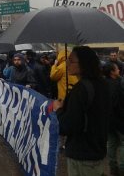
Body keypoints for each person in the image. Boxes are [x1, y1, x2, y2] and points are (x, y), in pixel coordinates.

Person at [53, 46, 111, 176]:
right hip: (97, 151)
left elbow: (67, 127)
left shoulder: (81, 90)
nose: (67, 63)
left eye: (71, 60)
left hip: (81, 156)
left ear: (84, 64)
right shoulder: (103, 84)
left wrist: (59, 109)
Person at [103, 62, 124, 176]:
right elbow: (120, 105)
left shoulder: (103, 84)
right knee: (122, 144)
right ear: (112, 72)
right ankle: (122, 169)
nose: (119, 71)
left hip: (108, 121)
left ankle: (113, 169)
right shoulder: (119, 84)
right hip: (119, 121)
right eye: (116, 69)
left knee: (111, 144)